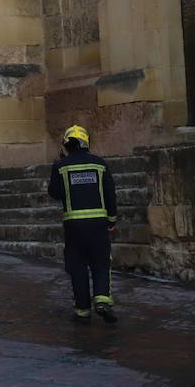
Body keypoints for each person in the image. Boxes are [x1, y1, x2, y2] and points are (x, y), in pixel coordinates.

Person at [47, 124, 118, 323]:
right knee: (101, 262)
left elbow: (54, 193)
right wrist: (111, 219)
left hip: (74, 227)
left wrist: (60, 167)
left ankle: (82, 310)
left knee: (77, 266)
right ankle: (103, 299)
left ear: (67, 145)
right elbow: (110, 193)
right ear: (86, 143)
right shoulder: (100, 164)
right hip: (98, 224)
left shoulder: (61, 167)